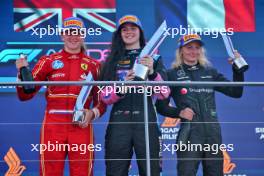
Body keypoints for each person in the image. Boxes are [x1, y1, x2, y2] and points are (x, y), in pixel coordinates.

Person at [15, 17, 106, 176]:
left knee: (83, 173)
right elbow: (25, 95)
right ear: (62, 35)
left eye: (77, 32)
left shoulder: (94, 65)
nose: (73, 36)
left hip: (81, 127)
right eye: (69, 32)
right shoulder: (48, 61)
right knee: (50, 172)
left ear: (83, 35)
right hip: (53, 126)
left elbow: (102, 102)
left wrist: (91, 113)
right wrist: (22, 73)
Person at [155, 34, 245, 176]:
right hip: (190, 134)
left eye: (197, 48)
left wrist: (237, 71)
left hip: (212, 133)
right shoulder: (171, 74)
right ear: (181, 51)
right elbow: (160, 106)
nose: (193, 51)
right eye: (189, 47)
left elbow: (236, 92)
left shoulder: (210, 72)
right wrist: (179, 112)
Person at [99, 14, 170, 176]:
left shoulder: (154, 57)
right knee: (115, 172)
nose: (128, 32)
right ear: (119, 34)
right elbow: (104, 96)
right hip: (119, 123)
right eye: (124, 29)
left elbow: (164, 94)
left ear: (140, 32)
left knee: (151, 172)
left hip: (146, 121)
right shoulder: (111, 59)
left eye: (133, 28)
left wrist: (152, 73)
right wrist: (121, 88)